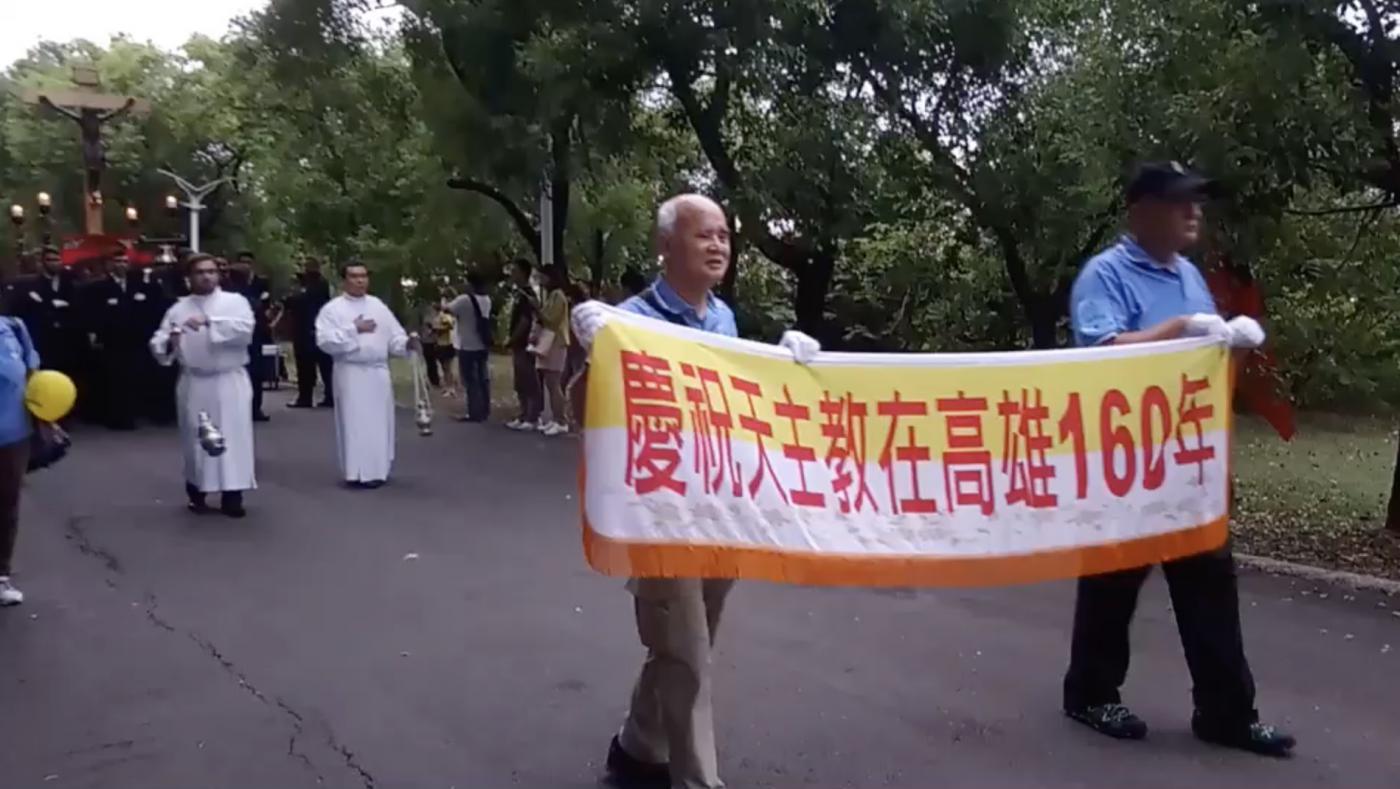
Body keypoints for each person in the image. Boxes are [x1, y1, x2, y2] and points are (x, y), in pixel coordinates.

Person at [570, 194, 819, 789]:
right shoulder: (626, 321)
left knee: (687, 643)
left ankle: (636, 747)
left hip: (718, 513)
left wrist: (786, 365)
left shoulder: (724, 322)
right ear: (664, 246)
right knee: (687, 653)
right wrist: (591, 351)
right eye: (702, 235)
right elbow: (584, 410)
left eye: (724, 237)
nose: (717, 246)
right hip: (659, 515)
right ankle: (695, 780)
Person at [1061, 162, 1293, 757]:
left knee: (1210, 585)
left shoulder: (1189, 274)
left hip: (1187, 464)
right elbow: (1105, 352)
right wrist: (1184, 326)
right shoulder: (1105, 275)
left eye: (1197, 202)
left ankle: (1227, 713)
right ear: (1141, 210)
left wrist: (1231, 347)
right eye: (1179, 202)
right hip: (1125, 463)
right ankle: (1090, 694)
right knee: (1112, 584)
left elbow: (1201, 369)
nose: (1194, 213)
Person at [149, 254, 257, 518]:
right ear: (189, 278)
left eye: (211, 271)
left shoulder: (235, 302)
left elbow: (245, 331)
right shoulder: (178, 308)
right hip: (194, 380)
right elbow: (158, 341)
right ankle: (197, 491)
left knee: (232, 437)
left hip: (228, 379)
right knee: (196, 437)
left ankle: (233, 494)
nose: (207, 276)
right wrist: (169, 342)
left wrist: (210, 322)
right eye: (200, 272)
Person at [315, 261, 417, 488]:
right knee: (355, 421)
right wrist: (354, 329)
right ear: (345, 280)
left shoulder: (378, 306)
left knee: (379, 421)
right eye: (354, 276)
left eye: (363, 276)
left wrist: (407, 344)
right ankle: (357, 471)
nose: (360, 281)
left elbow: (394, 337)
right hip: (351, 371)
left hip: (377, 371)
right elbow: (324, 341)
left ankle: (378, 469)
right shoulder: (332, 309)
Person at [7, 247, 84, 421]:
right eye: (50, 260)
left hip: (66, 339)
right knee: (44, 378)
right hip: (43, 339)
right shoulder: (30, 285)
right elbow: (21, 311)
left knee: (66, 377)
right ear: (42, 263)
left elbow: (79, 308)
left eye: (57, 260)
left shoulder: (70, 283)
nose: (54, 263)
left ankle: (67, 413)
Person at [0, 310, 42, 606]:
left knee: (6, 504)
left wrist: (45, 416)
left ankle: (1, 576)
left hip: (13, 432)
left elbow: (34, 375)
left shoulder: (14, 326)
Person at [83, 251, 147, 430]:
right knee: (114, 378)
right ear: (110, 264)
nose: (121, 264)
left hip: (134, 339)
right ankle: (115, 416)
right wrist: (94, 333)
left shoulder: (138, 285)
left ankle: (131, 414)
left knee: (133, 377)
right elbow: (94, 313)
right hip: (111, 339)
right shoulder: (99, 287)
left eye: (125, 261)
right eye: (117, 261)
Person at [229, 251, 274, 422]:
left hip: (251, 337)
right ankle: (248, 408)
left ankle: (252, 407)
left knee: (252, 373)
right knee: (250, 373)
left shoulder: (259, 284)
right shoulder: (239, 296)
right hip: (247, 339)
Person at [285, 258, 334, 409]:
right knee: (309, 365)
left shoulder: (317, 285)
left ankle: (325, 396)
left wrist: (290, 299)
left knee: (317, 364)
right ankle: (308, 396)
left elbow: (301, 300)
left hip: (311, 328)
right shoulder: (309, 285)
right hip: (304, 328)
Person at [446, 273, 492, 422]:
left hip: (467, 344)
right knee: (483, 377)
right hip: (482, 344)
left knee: (470, 380)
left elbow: (447, 309)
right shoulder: (487, 300)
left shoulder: (464, 300)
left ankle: (474, 412)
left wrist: (449, 295)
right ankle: (485, 409)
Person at [533, 265, 571, 436]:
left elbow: (551, 320)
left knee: (554, 383)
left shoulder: (557, 296)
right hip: (551, 342)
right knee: (550, 382)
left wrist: (536, 309)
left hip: (555, 342)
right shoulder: (552, 296)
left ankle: (561, 420)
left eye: (543, 277)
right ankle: (556, 418)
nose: (541, 281)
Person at [504, 258, 542, 431]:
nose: (512, 274)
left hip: (525, 343)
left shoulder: (528, 294)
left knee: (528, 379)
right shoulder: (519, 293)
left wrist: (513, 339)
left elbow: (526, 321)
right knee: (519, 380)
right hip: (518, 344)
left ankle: (532, 416)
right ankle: (523, 413)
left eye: (515, 271)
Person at [431, 301, 458, 398]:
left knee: (448, 368)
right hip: (439, 344)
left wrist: (440, 330)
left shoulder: (444, 317)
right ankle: (447, 387)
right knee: (444, 367)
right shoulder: (436, 318)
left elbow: (450, 326)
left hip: (446, 344)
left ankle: (451, 388)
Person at [418, 303, 443, 391]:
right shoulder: (427, 315)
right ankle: (433, 380)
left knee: (433, 362)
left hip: (432, 341)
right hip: (427, 341)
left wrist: (432, 330)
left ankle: (435, 380)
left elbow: (433, 327)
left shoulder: (433, 316)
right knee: (430, 362)